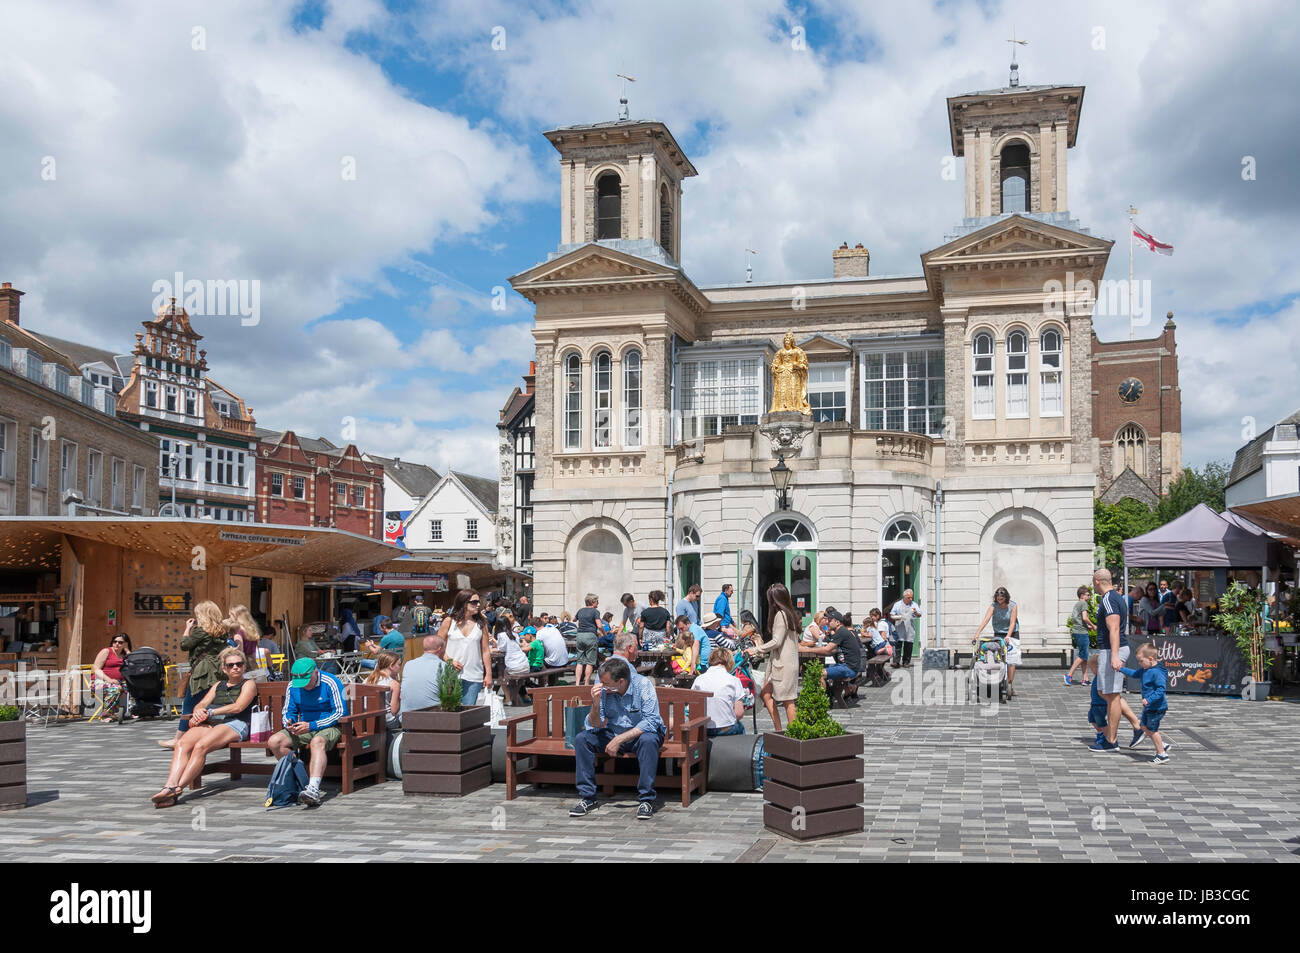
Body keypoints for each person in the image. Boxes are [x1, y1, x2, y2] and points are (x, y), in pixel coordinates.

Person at [151, 647, 258, 807]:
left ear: (244, 666)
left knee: (201, 746)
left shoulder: (248, 684)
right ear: (224, 669)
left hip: (237, 723)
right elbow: (201, 703)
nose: (235, 667)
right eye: (231, 665)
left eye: (239, 664)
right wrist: (198, 712)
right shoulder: (218, 685)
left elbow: (238, 707)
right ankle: (169, 786)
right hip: (213, 723)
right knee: (182, 744)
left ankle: (177, 788)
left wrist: (210, 712)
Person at [569, 656, 665, 820]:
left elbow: (651, 721)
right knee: (582, 739)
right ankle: (588, 797)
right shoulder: (604, 691)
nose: (602, 686)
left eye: (606, 684)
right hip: (614, 732)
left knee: (648, 740)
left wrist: (619, 739)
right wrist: (596, 702)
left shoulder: (642, 685)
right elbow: (594, 724)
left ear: (621, 681)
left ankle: (646, 799)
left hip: (641, 734)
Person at [267, 658, 349, 807]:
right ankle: (297, 779)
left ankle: (313, 789)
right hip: (304, 726)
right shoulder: (293, 685)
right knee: (274, 741)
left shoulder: (331, 681)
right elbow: (288, 710)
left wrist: (312, 725)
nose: (305, 686)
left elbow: (341, 712)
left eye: (307, 681)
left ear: (316, 673)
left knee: (317, 742)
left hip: (330, 726)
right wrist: (290, 723)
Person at [159, 601, 231, 750]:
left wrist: (187, 628)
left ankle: (179, 738)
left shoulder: (201, 630)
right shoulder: (223, 630)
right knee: (211, 702)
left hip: (202, 670)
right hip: (218, 669)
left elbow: (184, 645)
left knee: (190, 703)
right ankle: (213, 734)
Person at [1092, 568, 1141, 752]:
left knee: (1112, 696)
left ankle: (1111, 740)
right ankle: (1137, 725)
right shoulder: (1116, 597)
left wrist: (1113, 656)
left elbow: (1113, 628)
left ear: (1097, 581)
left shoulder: (1109, 598)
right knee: (1106, 693)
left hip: (1114, 649)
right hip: (1111, 649)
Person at [747, 582, 800, 730]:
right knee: (766, 694)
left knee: (788, 701)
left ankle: (793, 732)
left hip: (783, 665)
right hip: (786, 664)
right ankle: (779, 730)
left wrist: (756, 649)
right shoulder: (789, 614)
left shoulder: (781, 615)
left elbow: (777, 641)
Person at [436, 590, 494, 705]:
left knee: (468, 712)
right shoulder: (449, 622)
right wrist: (449, 660)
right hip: (451, 674)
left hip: (474, 674)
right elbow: (438, 647)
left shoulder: (481, 623)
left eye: (479, 602)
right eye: (474, 602)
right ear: (463, 603)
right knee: (450, 710)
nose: (478, 604)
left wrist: (488, 674)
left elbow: (485, 650)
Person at [1121, 642, 1174, 763]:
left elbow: (1161, 689)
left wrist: (1149, 699)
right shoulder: (1145, 669)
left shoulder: (1157, 672)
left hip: (1157, 707)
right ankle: (1162, 745)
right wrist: (1120, 669)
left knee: (1153, 730)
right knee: (1143, 726)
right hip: (1149, 707)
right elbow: (1134, 674)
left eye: (1141, 661)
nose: (1139, 664)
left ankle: (1162, 754)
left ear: (1150, 659)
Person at [973, 587, 1021, 698]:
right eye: (998, 598)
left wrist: (1008, 636)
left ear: (1006, 597)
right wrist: (977, 634)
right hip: (999, 633)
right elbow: (986, 620)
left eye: (1002, 598)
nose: (1000, 600)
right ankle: (999, 682)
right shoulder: (993, 606)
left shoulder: (1013, 606)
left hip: (1012, 633)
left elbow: (1013, 622)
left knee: (1011, 659)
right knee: (999, 658)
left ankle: (1009, 684)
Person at [806, 607, 863, 693]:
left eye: (829, 620)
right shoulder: (841, 631)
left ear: (837, 622)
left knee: (818, 674)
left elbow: (826, 650)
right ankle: (831, 695)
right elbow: (832, 649)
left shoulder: (841, 632)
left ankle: (822, 701)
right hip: (851, 666)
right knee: (825, 668)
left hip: (849, 668)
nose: (827, 622)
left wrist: (806, 650)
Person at [692, 647, 745, 737]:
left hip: (704, 728)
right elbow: (739, 713)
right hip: (725, 728)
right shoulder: (734, 680)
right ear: (729, 662)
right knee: (740, 727)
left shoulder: (699, 679)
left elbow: (693, 708)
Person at [400, 635, 447, 714]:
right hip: (434, 718)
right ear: (439, 648)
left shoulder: (409, 664)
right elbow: (451, 697)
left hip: (407, 718)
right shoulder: (444, 667)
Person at [92, 633, 132, 722]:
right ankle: (105, 715)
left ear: (126, 644)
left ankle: (134, 710)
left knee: (135, 686)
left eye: (120, 642)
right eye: (115, 642)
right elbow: (96, 669)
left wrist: (127, 651)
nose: (117, 644)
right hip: (100, 682)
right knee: (115, 689)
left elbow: (133, 664)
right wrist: (109, 680)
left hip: (119, 682)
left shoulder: (125, 654)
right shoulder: (106, 651)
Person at [363, 651, 403, 732]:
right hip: (386, 722)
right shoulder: (394, 684)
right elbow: (394, 711)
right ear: (391, 666)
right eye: (399, 664)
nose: (400, 667)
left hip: (367, 720)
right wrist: (400, 699)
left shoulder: (367, 680)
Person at [1065, 585, 1095, 686]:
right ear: (1082, 595)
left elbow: (1078, 619)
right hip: (1082, 633)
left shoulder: (1077, 604)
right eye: (1088, 595)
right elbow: (1085, 617)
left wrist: (1087, 626)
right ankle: (1069, 674)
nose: (1089, 596)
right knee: (1083, 655)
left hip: (1077, 631)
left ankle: (1085, 678)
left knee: (1084, 655)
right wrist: (1093, 625)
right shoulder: (1083, 604)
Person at [572, 593, 601, 686]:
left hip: (580, 636)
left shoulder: (580, 610)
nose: (598, 603)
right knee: (590, 662)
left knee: (580, 661)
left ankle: (577, 684)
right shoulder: (595, 611)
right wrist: (604, 634)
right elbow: (599, 625)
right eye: (597, 601)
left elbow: (574, 619)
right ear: (593, 602)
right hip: (590, 636)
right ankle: (586, 683)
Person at [889, 589, 922, 668]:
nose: (910, 599)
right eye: (908, 598)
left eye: (911, 597)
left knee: (908, 646)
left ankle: (906, 662)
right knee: (898, 645)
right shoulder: (897, 604)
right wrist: (899, 617)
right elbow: (891, 615)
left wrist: (916, 612)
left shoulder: (914, 604)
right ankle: (896, 662)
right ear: (904, 597)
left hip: (909, 627)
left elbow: (919, 615)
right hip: (899, 627)